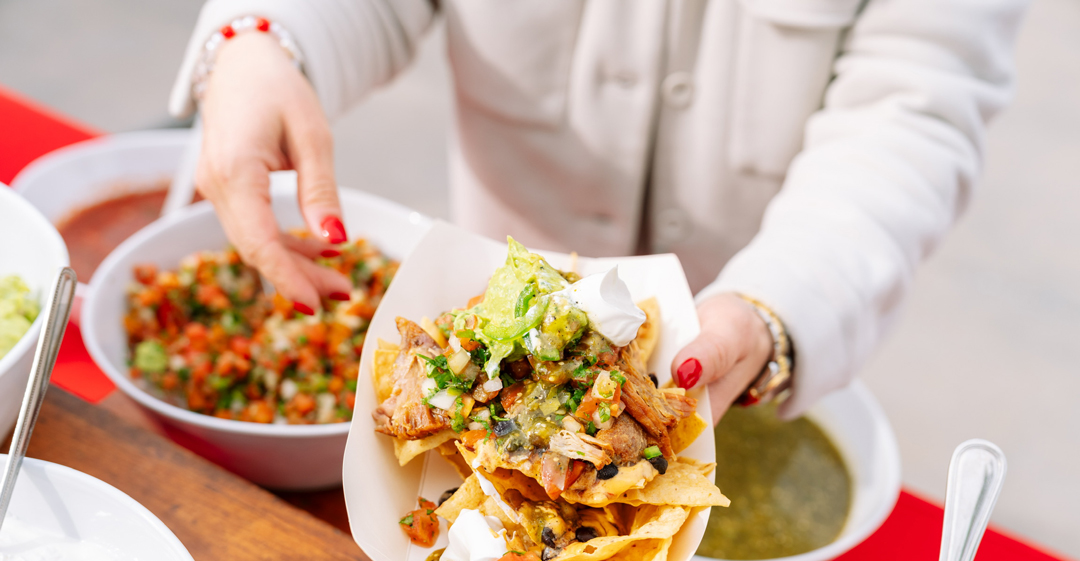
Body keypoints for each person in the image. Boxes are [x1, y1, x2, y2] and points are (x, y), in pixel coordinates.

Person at [169, 0, 1027, 421]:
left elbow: (914, 104)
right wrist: (259, 43)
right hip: (503, 327)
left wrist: (778, 306)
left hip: (768, 349)